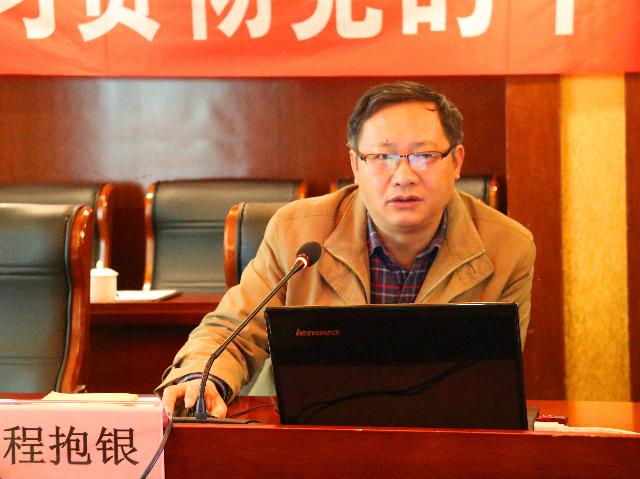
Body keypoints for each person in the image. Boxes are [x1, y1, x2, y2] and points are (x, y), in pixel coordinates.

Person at [157, 81, 536, 418]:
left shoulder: (507, 247)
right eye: (383, 157)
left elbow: (490, 377)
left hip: (436, 432)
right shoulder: (296, 232)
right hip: (306, 428)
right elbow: (233, 331)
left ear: (456, 162)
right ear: (355, 164)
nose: (403, 176)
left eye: (424, 155)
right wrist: (202, 377)